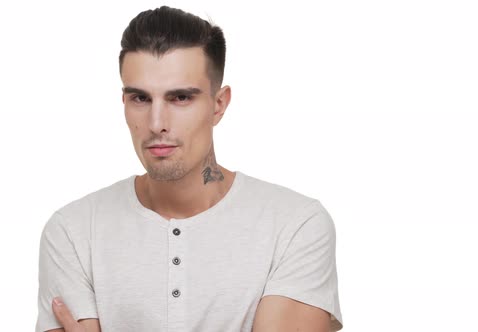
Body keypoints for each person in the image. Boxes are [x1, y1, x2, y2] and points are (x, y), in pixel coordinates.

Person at [35, 5, 343, 332]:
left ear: (219, 104)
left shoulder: (294, 225)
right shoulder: (72, 232)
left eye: (180, 98)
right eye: (140, 98)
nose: (157, 124)